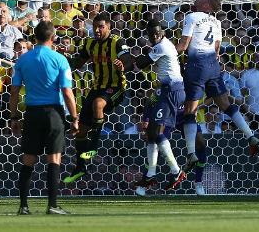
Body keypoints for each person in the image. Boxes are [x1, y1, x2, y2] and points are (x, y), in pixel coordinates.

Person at [176, 0, 259, 172]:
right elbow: (216, 50)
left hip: (197, 65)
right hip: (213, 66)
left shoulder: (191, 17)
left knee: (189, 112)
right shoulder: (217, 22)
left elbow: (183, 45)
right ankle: (250, 135)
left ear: (207, 4)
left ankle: (191, 153)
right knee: (226, 105)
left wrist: (165, 53)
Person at [10, 21, 79, 215]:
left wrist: (14, 116)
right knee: (54, 158)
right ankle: (53, 205)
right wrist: (74, 117)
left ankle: (23, 206)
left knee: (28, 160)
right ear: (53, 37)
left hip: (32, 113)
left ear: (35, 37)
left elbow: (14, 91)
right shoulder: (60, 59)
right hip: (53, 114)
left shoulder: (22, 60)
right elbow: (67, 91)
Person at [63, 13, 130, 183]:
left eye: (101, 26)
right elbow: (79, 63)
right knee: (80, 131)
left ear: (108, 27)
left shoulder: (117, 41)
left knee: (98, 104)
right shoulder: (89, 43)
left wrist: (123, 64)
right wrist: (64, 58)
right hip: (97, 87)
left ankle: (93, 147)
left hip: (116, 87)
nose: (97, 30)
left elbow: (128, 58)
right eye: (95, 27)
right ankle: (80, 167)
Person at [123, 19, 187, 192]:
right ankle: (150, 175)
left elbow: (141, 64)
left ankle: (176, 171)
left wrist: (125, 55)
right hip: (165, 90)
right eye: (152, 34)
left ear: (162, 33)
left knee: (156, 132)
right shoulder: (161, 45)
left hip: (172, 91)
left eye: (157, 33)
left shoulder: (162, 46)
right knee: (151, 133)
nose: (155, 36)